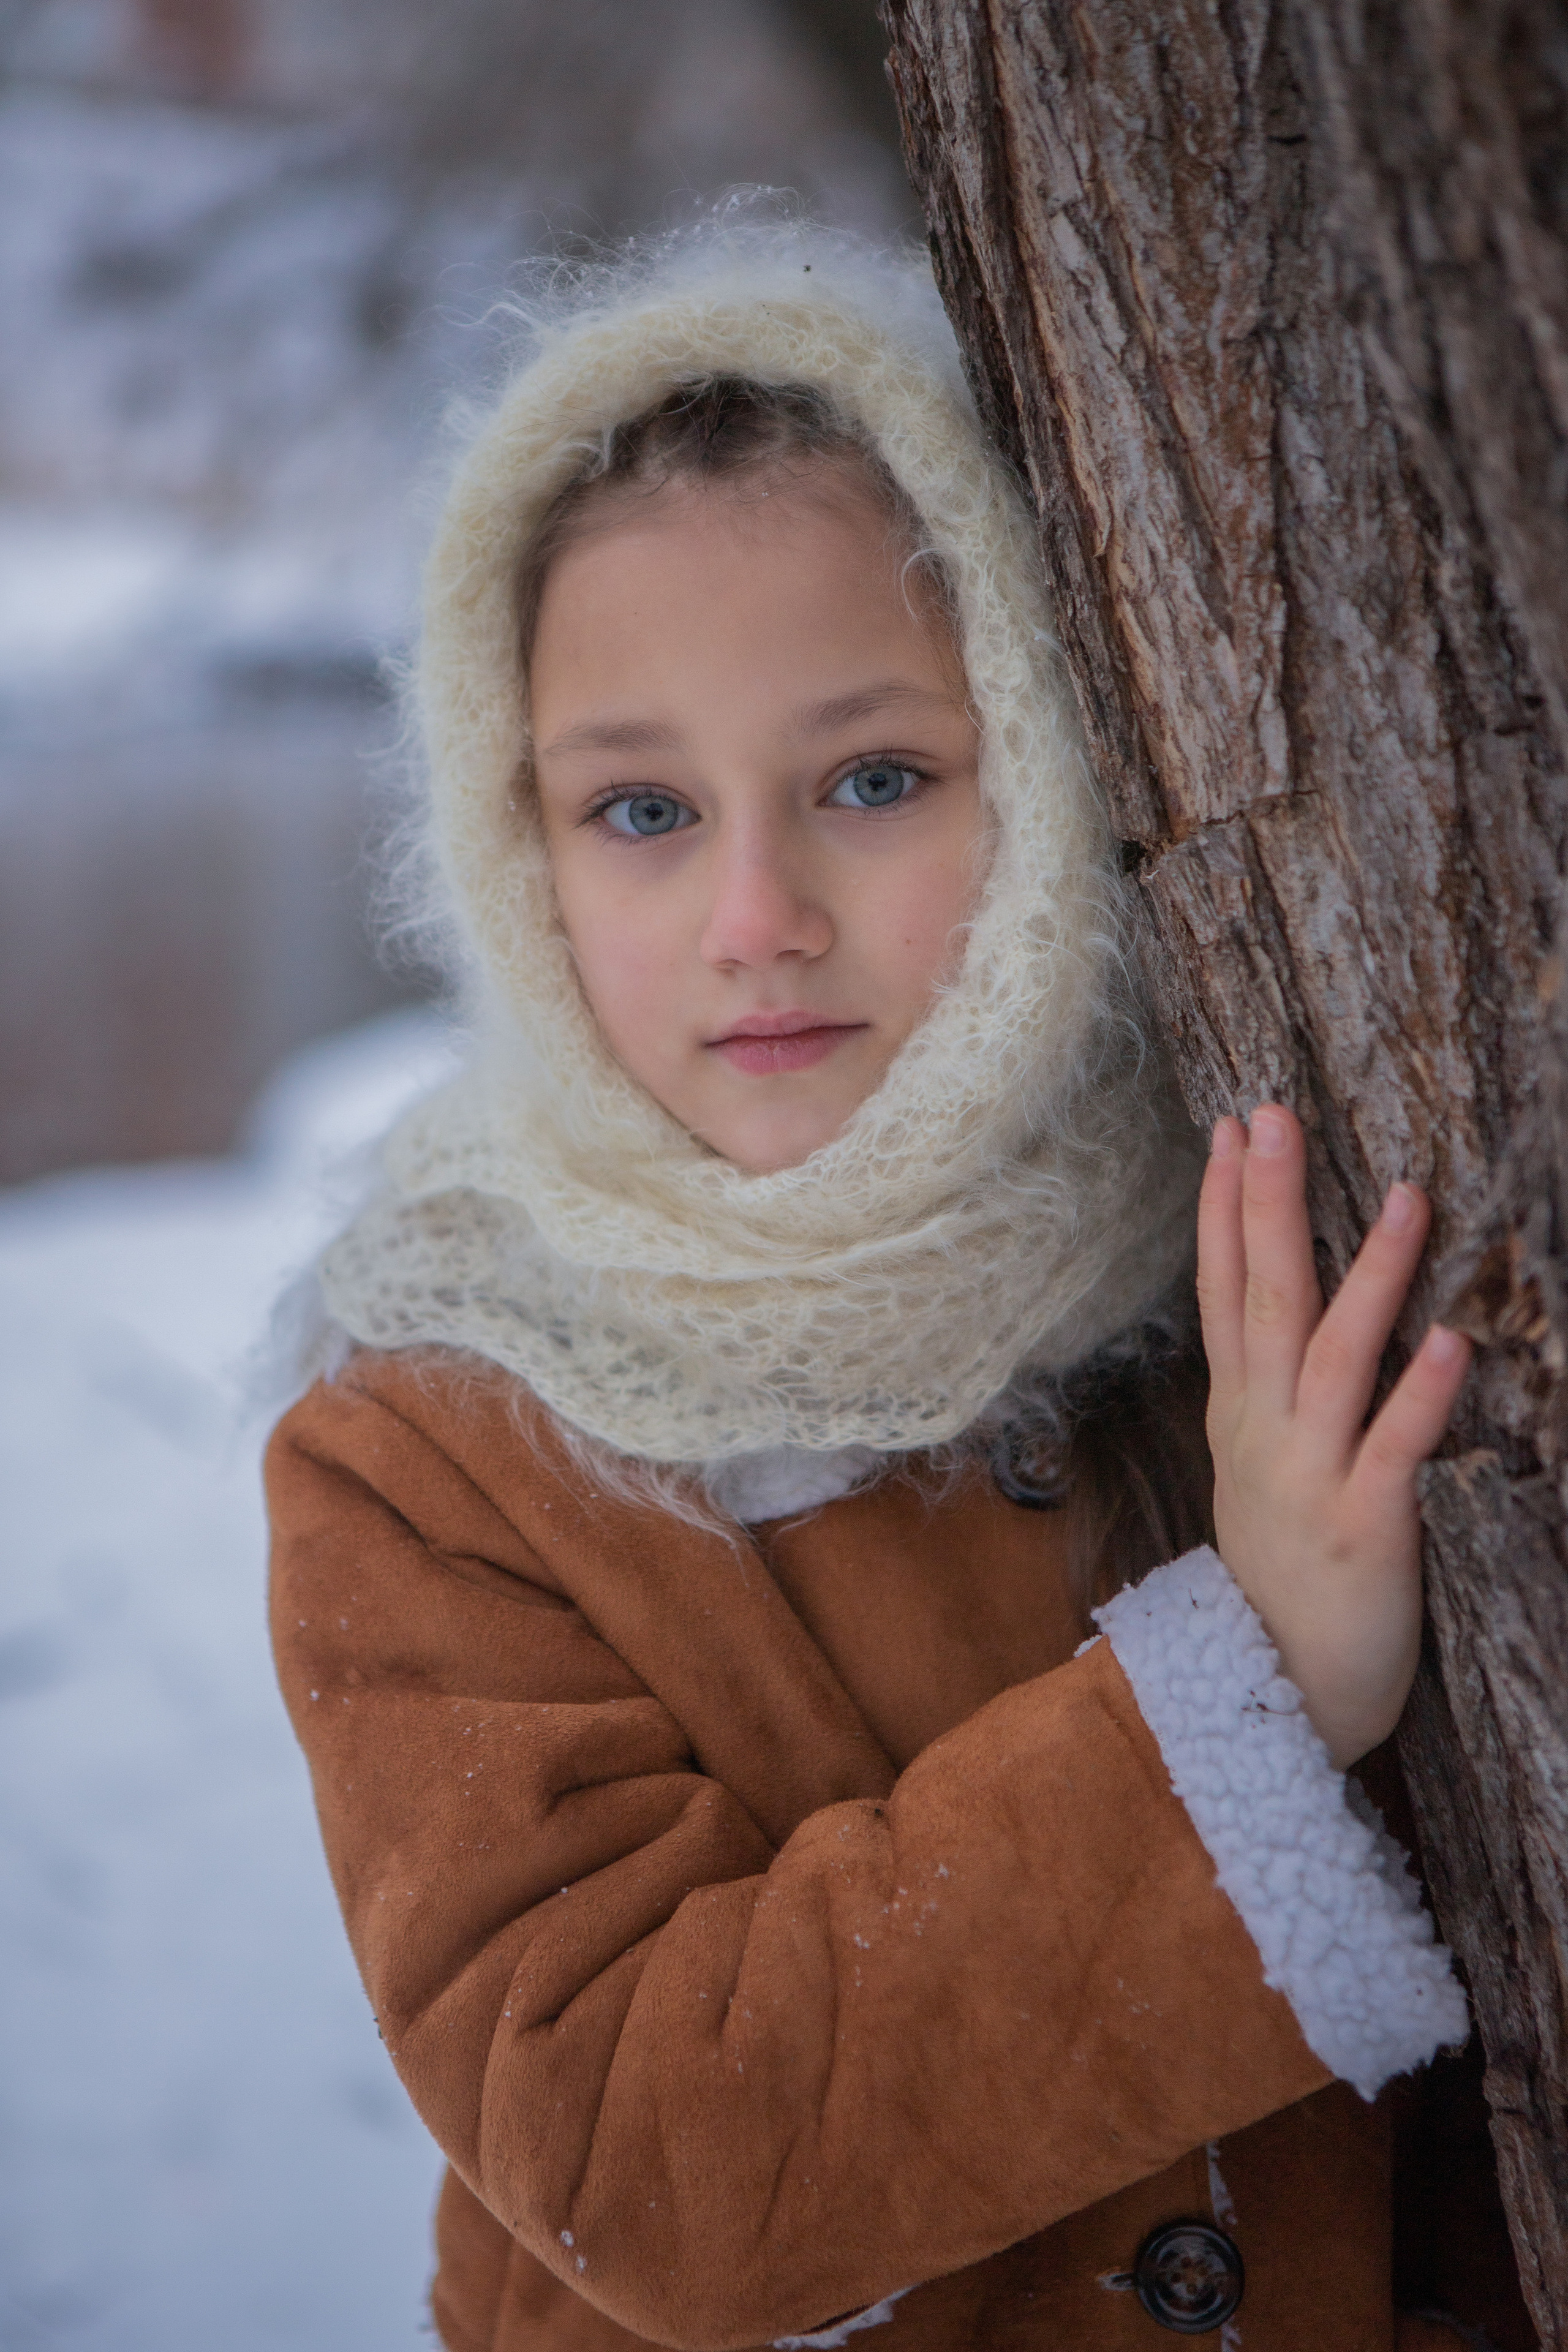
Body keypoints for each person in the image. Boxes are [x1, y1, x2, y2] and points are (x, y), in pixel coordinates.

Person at [266, 217, 1531, 2351]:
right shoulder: (435, 1441)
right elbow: (632, 2155)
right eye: (642, 808)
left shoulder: (1216, 1253)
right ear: (512, 845)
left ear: (1037, 768)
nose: (758, 914)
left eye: (873, 779)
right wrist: (1253, 1704)